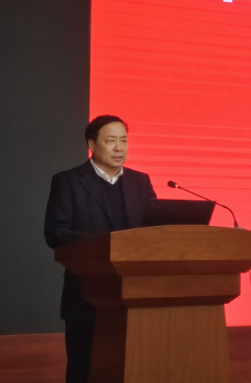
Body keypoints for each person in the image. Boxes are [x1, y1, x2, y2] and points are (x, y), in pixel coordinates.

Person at [43, 115, 156, 383]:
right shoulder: (69, 181)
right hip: (87, 294)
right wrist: (106, 244)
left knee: (133, 369)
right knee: (84, 370)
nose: (119, 147)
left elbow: (153, 231)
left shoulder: (140, 181)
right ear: (92, 144)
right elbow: (56, 233)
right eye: (111, 140)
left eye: (123, 141)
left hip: (137, 295)